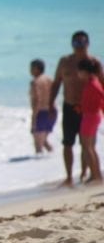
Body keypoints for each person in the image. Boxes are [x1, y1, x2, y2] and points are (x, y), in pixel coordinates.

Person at [50, 31, 101, 185]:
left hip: (88, 110)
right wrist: (50, 103)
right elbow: (56, 83)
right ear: (71, 44)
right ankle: (69, 176)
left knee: (87, 144)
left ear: (88, 44)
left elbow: (102, 85)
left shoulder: (94, 63)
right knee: (67, 143)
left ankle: (87, 174)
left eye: (82, 43)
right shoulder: (65, 62)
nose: (79, 46)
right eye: (76, 43)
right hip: (69, 107)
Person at [77, 58, 104, 183]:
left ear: (85, 71)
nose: (78, 74)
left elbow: (101, 96)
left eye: (79, 71)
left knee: (86, 147)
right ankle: (96, 173)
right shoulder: (93, 82)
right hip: (91, 115)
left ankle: (95, 174)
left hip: (90, 117)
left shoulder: (93, 84)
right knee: (90, 147)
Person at [29, 58, 55, 154]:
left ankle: (40, 161)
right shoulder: (50, 80)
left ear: (37, 69)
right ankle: (53, 156)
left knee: (38, 145)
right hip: (52, 111)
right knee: (43, 141)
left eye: (31, 68)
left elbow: (37, 101)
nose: (30, 70)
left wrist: (34, 117)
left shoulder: (35, 82)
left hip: (41, 112)